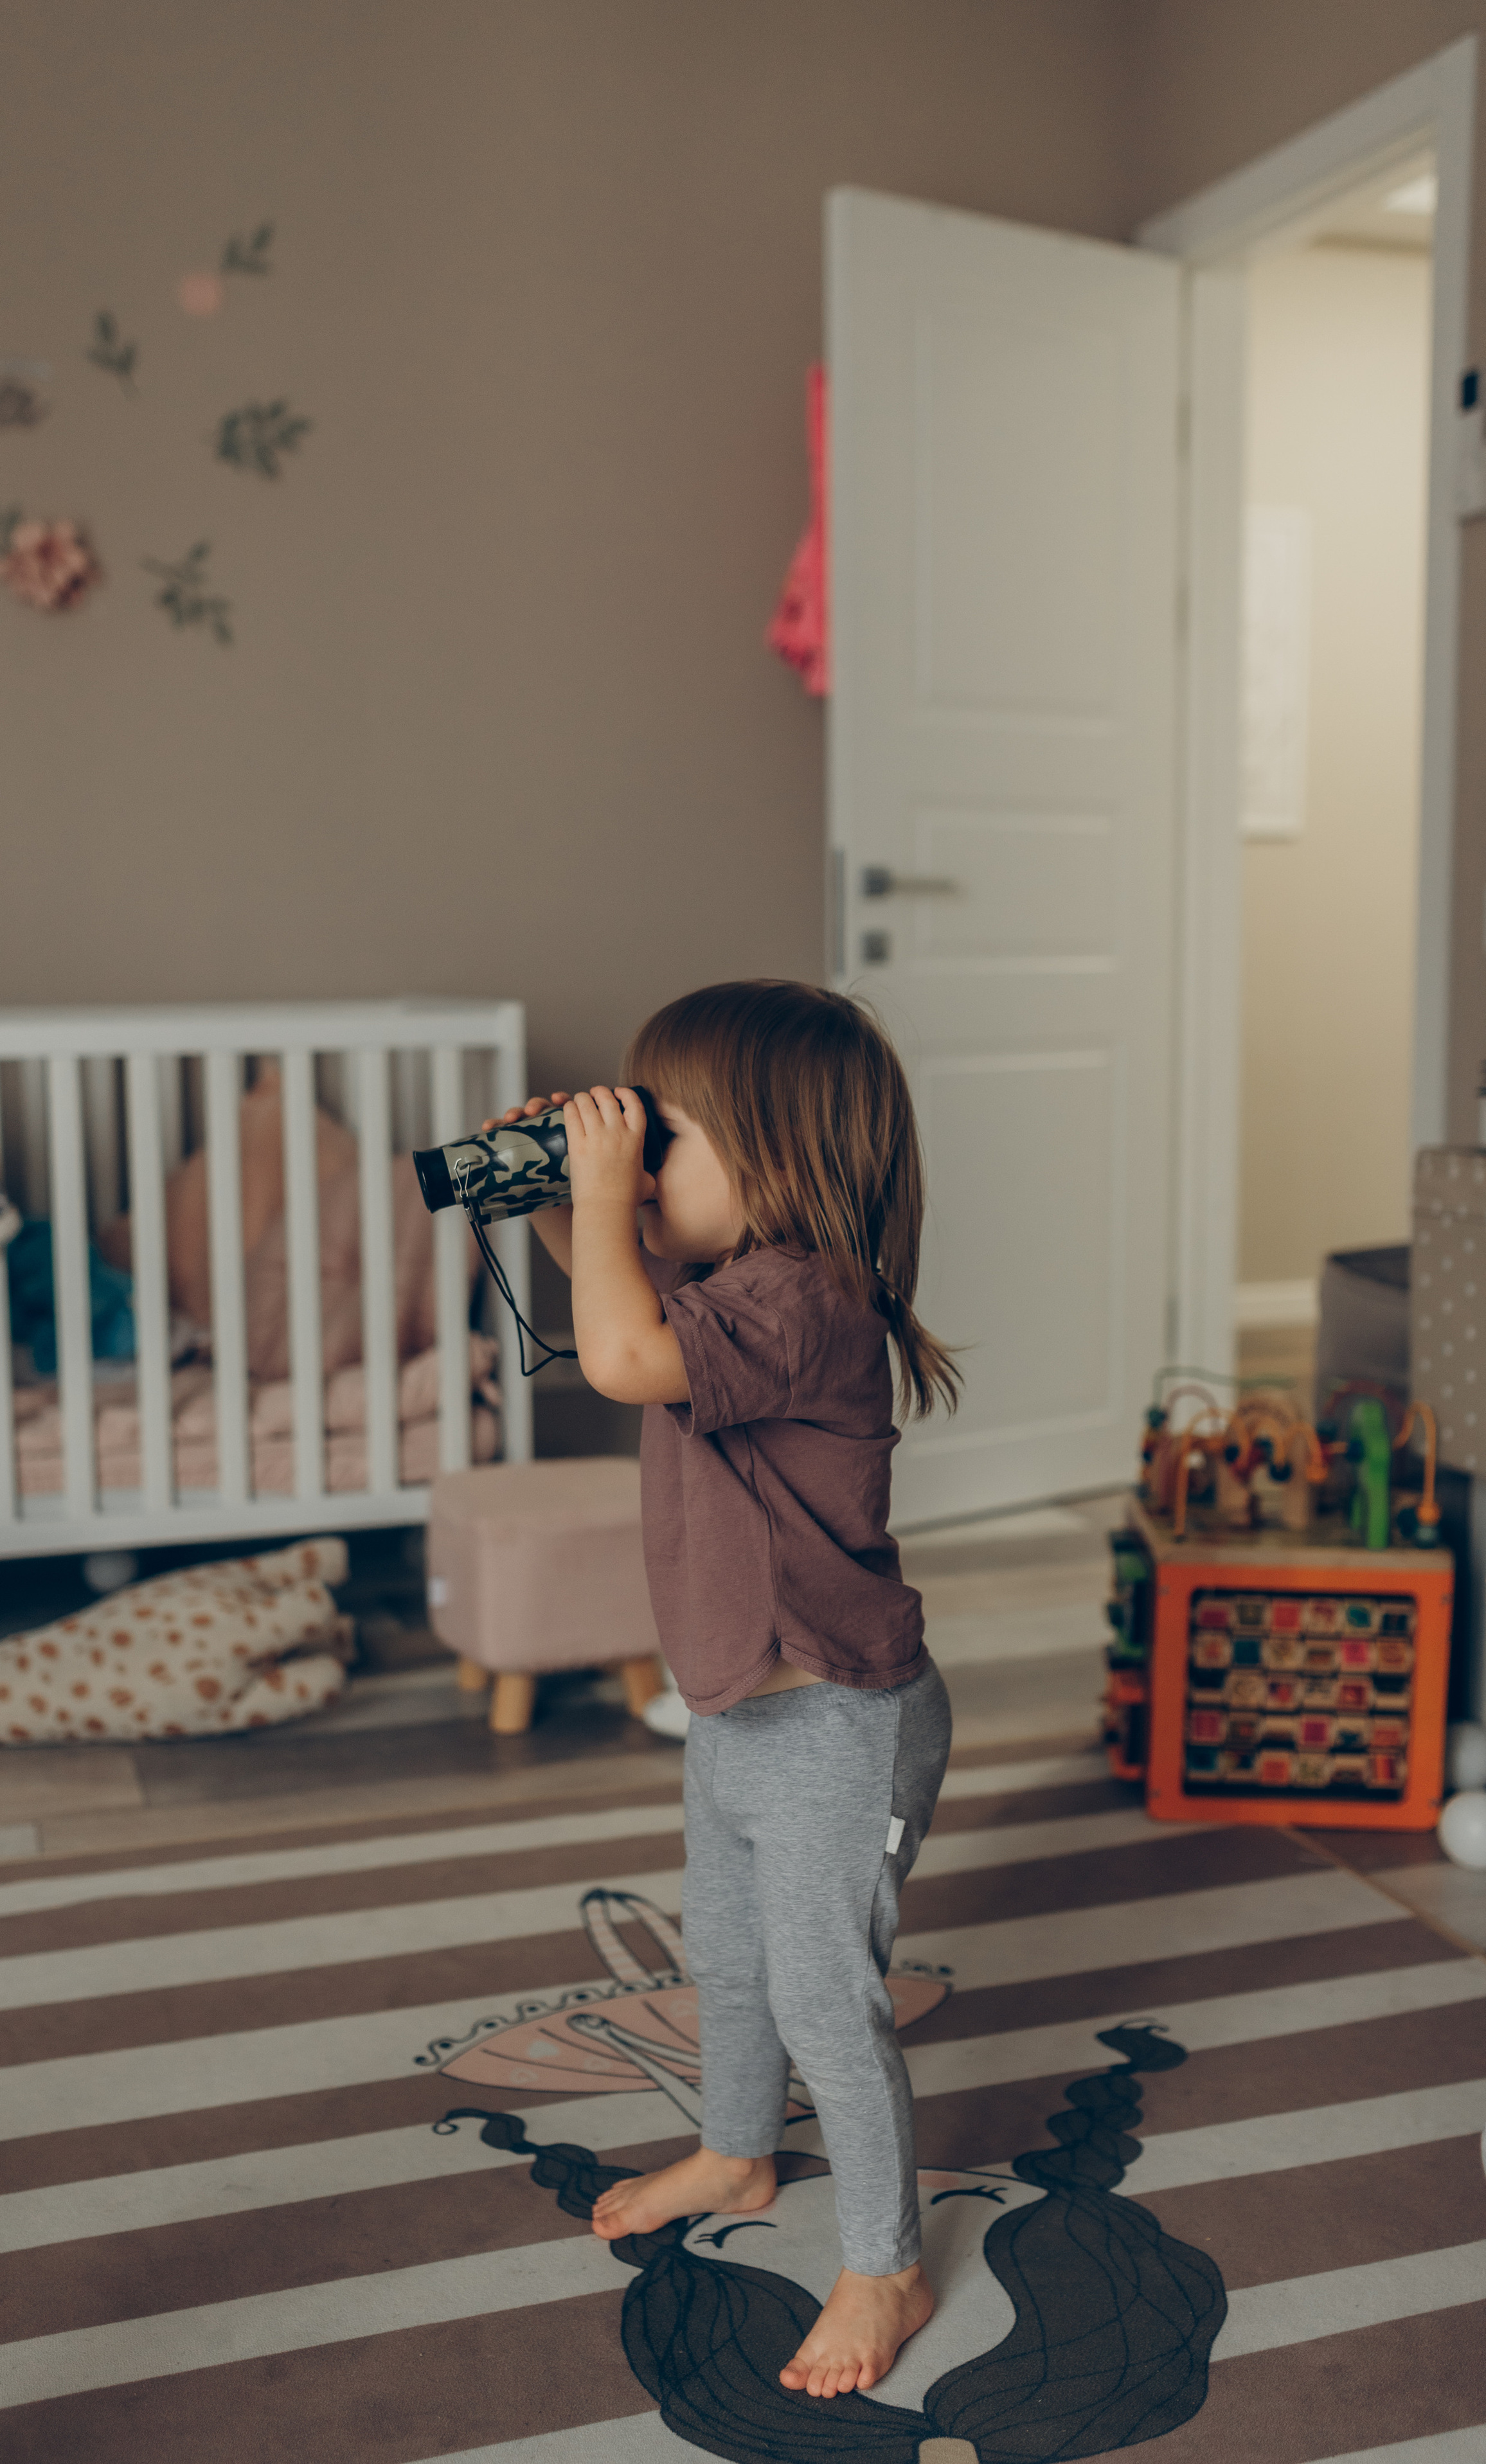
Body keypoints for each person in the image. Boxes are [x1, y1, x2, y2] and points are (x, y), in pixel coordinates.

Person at [487, 978, 957, 2401]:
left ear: (777, 1157)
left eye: (664, 1140)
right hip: (743, 1700)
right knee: (730, 1957)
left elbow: (620, 1352)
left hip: (841, 1718)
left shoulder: (807, 1298)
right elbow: (624, 1297)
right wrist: (568, 1198)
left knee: (825, 1996)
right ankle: (740, 2151)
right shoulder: (736, 1284)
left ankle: (885, 2262)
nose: (640, 1170)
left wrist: (594, 1192)